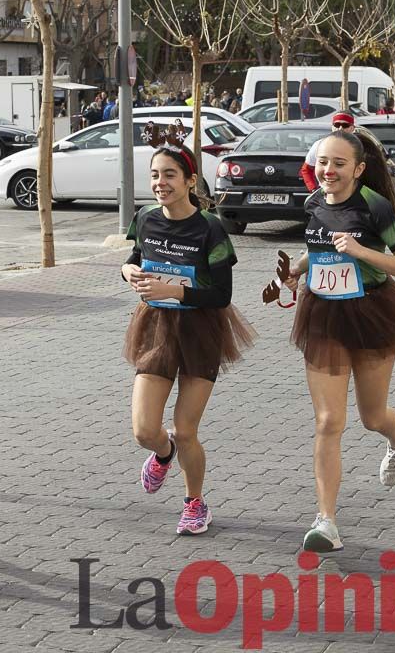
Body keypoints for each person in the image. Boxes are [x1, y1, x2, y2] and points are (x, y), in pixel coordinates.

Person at [279, 129, 395, 552]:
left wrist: (362, 252)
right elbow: (319, 248)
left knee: (371, 416)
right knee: (328, 421)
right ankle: (325, 520)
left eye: (339, 163)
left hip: (371, 311)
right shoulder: (313, 203)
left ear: (359, 169)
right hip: (323, 313)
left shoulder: (374, 206)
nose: (328, 170)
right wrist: (297, 270)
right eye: (323, 162)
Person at [123, 124, 255, 536]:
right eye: (155, 175)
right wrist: (127, 270)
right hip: (156, 327)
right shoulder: (144, 218)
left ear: (190, 181)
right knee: (146, 430)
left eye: (169, 175)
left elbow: (220, 294)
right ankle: (162, 456)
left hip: (201, 329)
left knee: (185, 428)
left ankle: (195, 502)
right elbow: (135, 255)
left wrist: (174, 290)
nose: (160, 183)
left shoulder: (211, 228)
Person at [300, 113, 357, 190]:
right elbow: (306, 170)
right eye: (337, 125)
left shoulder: (359, 147)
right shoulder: (320, 145)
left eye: (345, 125)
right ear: (332, 127)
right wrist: (313, 189)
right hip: (326, 195)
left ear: (352, 128)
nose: (340, 128)